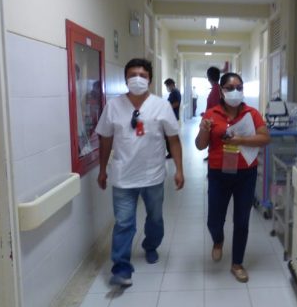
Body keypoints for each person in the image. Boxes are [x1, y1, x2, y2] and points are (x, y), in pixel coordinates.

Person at [96, 58, 184, 288]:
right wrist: (102, 170)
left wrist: (179, 169)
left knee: (155, 218)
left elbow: (173, 139)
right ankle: (121, 267)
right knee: (124, 222)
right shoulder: (113, 106)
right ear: (125, 79)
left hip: (153, 175)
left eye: (142, 75)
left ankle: (150, 245)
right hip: (123, 176)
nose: (137, 79)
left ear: (150, 80)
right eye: (132, 75)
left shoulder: (161, 106)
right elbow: (105, 140)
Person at [195, 72, 270, 283]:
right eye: (229, 88)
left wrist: (241, 140)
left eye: (239, 87)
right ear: (221, 91)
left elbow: (265, 138)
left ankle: (237, 263)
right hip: (218, 173)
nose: (235, 91)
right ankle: (218, 240)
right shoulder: (211, 113)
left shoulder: (251, 113)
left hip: (246, 173)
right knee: (214, 219)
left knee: (242, 220)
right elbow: (200, 145)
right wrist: (204, 130)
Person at [163, 78, 181, 158]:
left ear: (171, 85)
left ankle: (171, 153)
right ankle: (171, 152)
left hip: (172, 117)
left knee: (169, 136)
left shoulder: (175, 92)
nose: (167, 88)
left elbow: (176, 103)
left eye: (167, 86)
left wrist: (168, 107)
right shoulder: (174, 92)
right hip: (172, 116)